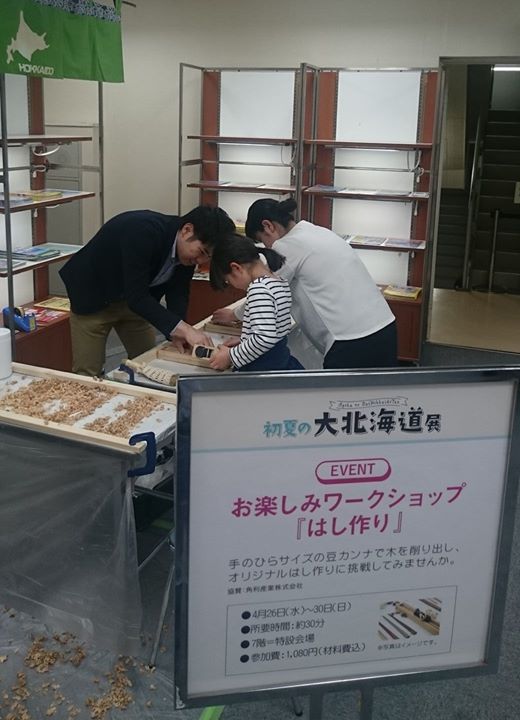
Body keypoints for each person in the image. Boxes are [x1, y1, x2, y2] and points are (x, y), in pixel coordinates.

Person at [213, 198, 397, 369]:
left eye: (262, 241)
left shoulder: (287, 246)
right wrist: (248, 341)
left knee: (342, 394)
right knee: (379, 391)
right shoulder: (316, 231)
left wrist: (234, 315)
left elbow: (264, 290)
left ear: (268, 226)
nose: (267, 248)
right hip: (384, 327)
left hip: (352, 340)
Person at [60, 205, 235, 376]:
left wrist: (178, 332)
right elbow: (136, 295)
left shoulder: (186, 253)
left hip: (135, 305)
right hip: (94, 297)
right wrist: (184, 329)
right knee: (87, 373)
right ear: (187, 230)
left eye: (207, 257)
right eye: (202, 252)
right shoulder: (143, 231)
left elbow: (178, 293)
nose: (200, 260)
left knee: (148, 363)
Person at [208, 234, 303, 372]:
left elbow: (264, 338)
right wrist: (246, 342)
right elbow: (272, 331)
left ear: (236, 268)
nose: (233, 285)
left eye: (228, 280)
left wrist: (230, 356)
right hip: (279, 360)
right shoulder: (279, 282)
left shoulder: (258, 289)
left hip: (263, 369)